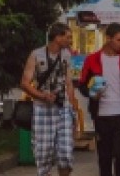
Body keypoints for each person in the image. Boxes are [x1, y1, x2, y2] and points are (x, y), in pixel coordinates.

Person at [78, 23, 120, 176]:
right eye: (119, 40)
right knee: (104, 157)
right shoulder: (92, 59)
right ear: (108, 38)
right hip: (100, 115)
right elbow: (82, 85)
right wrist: (92, 94)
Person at [20, 23, 78, 176]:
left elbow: (69, 82)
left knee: (66, 153)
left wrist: (73, 109)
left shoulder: (66, 55)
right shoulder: (36, 54)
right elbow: (25, 83)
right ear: (58, 37)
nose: (71, 40)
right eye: (68, 37)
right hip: (42, 108)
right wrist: (42, 96)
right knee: (43, 153)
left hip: (63, 107)